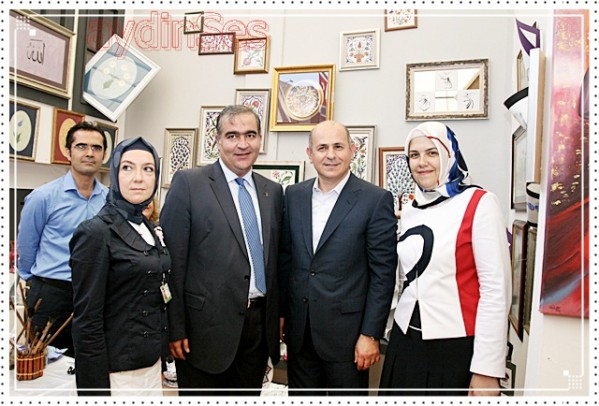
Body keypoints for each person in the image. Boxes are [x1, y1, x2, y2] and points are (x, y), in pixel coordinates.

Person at [378, 121, 511, 396]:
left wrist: (487, 369)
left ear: (449, 154)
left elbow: (496, 290)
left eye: (432, 153)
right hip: (405, 342)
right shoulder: (410, 209)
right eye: (414, 155)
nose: (422, 162)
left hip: (455, 346)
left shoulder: (479, 203)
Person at [160, 105, 284, 395]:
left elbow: (277, 262)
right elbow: (172, 263)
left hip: (257, 329)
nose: (242, 144)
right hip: (204, 330)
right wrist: (175, 327)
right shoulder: (189, 184)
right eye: (232, 136)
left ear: (260, 140)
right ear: (217, 140)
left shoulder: (273, 191)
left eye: (250, 135)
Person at [279, 120, 398, 395]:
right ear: (310, 154)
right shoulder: (293, 195)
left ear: (352, 150)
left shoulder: (375, 200)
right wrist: (282, 313)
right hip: (300, 334)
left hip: (349, 339)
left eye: (338, 147)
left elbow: (383, 275)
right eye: (322, 148)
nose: (330, 155)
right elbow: (286, 260)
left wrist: (370, 334)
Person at [69, 137, 170, 396]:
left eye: (148, 169)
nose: (138, 178)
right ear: (114, 173)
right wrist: (94, 391)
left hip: (149, 364)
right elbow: (87, 321)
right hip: (117, 372)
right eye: (127, 167)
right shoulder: (95, 232)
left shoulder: (146, 227)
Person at [16, 121, 107, 356]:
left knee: (89, 364)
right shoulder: (43, 197)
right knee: (42, 366)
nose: (89, 153)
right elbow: (26, 247)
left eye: (96, 148)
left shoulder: (110, 201)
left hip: (94, 296)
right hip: (51, 296)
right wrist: (39, 284)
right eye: (81, 146)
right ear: (68, 152)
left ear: (104, 155)